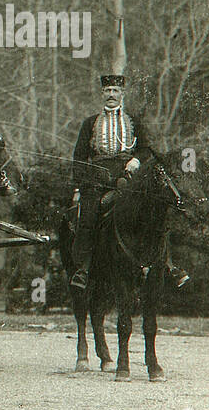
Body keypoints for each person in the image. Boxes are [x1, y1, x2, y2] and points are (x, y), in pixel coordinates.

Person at [69, 73, 187, 289]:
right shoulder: (90, 123)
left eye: (115, 91)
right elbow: (78, 156)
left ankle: (170, 265)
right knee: (88, 215)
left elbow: (146, 149)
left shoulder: (134, 121)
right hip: (98, 179)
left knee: (155, 209)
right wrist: (79, 186)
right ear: (102, 94)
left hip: (129, 177)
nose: (111, 95)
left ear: (122, 94)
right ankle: (83, 270)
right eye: (107, 91)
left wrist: (135, 160)